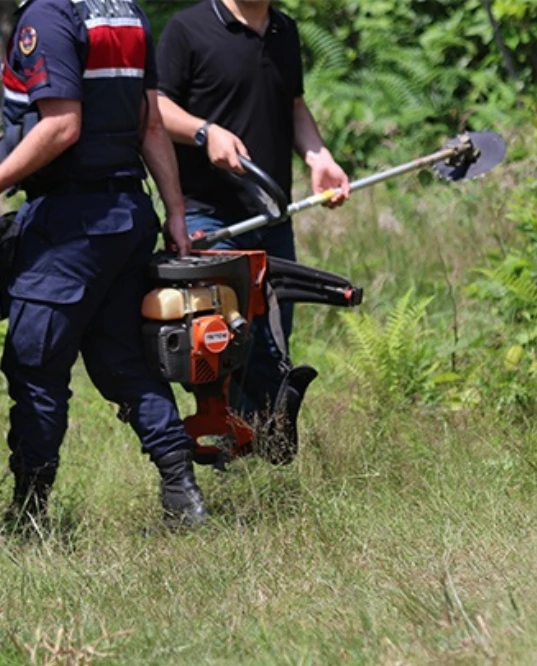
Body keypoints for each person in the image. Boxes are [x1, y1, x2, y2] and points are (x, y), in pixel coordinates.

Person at [1, 0, 207, 529]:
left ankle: (29, 515)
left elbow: (61, 127)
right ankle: (182, 493)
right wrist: (175, 211)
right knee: (124, 362)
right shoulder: (124, 12)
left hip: (69, 225)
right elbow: (151, 124)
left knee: (35, 365)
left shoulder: (48, 16)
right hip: (126, 215)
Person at [155, 0, 351, 450]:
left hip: (272, 214)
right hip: (210, 215)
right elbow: (156, 109)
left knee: (272, 341)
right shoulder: (188, 29)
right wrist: (205, 132)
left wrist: (318, 157)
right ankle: (235, 448)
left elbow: (294, 106)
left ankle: (256, 446)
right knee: (220, 344)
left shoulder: (284, 30)